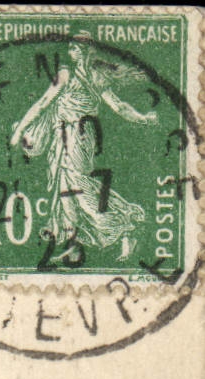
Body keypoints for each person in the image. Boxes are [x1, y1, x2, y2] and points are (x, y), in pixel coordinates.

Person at [9, 35, 160, 261]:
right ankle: (73, 242)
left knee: (77, 182)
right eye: (70, 47)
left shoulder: (79, 75)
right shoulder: (76, 75)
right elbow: (44, 102)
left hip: (77, 135)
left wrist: (143, 118)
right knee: (65, 184)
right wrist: (145, 118)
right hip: (68, 134)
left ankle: (125, 224)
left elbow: (118, 106)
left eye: (75, 47)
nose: (71, 51)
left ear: (86, 50)